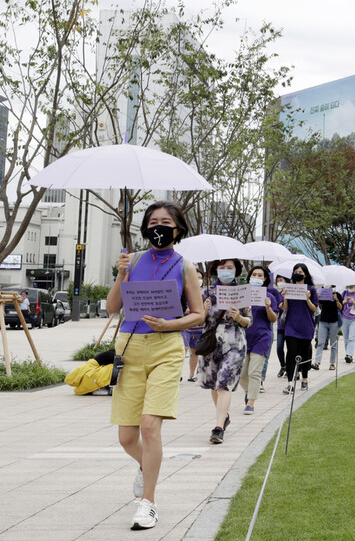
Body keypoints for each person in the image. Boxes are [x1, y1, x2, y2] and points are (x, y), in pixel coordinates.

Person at [105, 201, 204, 531]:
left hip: (166, 349)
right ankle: (146, 466)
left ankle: (147, 503)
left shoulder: (185, 266)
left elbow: (198, 313)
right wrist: (121, 274)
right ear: (145, 227)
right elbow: (111, 307)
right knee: (126, 437)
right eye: (153, 221)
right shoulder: (131, 262)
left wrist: (169, 325)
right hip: (130, 348)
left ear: (178, 228)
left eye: (166, 222)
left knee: (150, 426)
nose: (158, 226)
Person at [198, 258, 250, 444]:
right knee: (214, 384)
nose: (226, 270)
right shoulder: (206, 292)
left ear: (236, 270)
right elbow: (198, 320)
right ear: (215, 269)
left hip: (235, 342)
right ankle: (225, 417)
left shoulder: (243, 292)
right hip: (211, 342)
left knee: (223, 383)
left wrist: (239, 317)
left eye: (230, 267)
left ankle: (218, 427)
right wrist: (203, 310)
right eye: (222, 267)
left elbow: (248, 321)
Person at [241, 266, 277, 414]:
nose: (256, 277)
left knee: (254, 372)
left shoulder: (269, 296)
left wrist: (268, 307)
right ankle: (249, 391)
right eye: (254, 274)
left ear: (265, 279)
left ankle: (251, 403)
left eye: (260, 275)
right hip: (244, 337)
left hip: (262, 337)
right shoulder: (243, 295)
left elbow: (273, 319)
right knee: (243, 374)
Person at [281, 263, 319, 393]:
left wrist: (307, 298)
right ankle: (290, 383)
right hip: (291, 325)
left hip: (306, 326)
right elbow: (285, 309)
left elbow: (314, 309)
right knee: (291, 353)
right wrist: (284, 297)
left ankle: (304, 378)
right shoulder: (289, 288)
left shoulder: (312, 289)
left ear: (305, 274)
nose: (297, 273)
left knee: (304, 353)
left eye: (300, 271)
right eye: (295, 271)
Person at [183, 266, 205, 382]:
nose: (198, 279)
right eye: (196, 277)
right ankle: (177, 374)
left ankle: (191, 375)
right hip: (185, 326)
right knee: (183, 349)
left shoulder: (205, 293)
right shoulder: (184, 291)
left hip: (199, 328)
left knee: (194, 352)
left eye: (200, 277)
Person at [314, 285, 343, 371]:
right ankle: (317, 362)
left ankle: (332, 363)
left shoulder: (337, 294)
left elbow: (340, 307)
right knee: (320, 342)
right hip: (323, 321)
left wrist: (336, 299)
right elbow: (319, 307)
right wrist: (318, 299)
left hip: (334, 322)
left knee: (333, 344)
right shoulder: (323, 294)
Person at [340, 284, 355, 363]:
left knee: (352, 337)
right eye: (349, 286)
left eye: (352, 286)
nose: (350, 288)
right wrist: (345, 301)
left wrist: (354, 302)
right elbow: (339, 305)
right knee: (346, 338)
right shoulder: (344, 293)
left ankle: (349, 355)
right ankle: (348, 354)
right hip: (344, 318)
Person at [273, 274, 289, 378]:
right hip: (281, 325)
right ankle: (283, 365)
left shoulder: (291, 293)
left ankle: (289, 367)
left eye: (281, 279)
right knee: (279, 347)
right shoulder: (278, 294)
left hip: (290, 325)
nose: (280, 282)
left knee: (290, 348)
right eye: (278, 280)